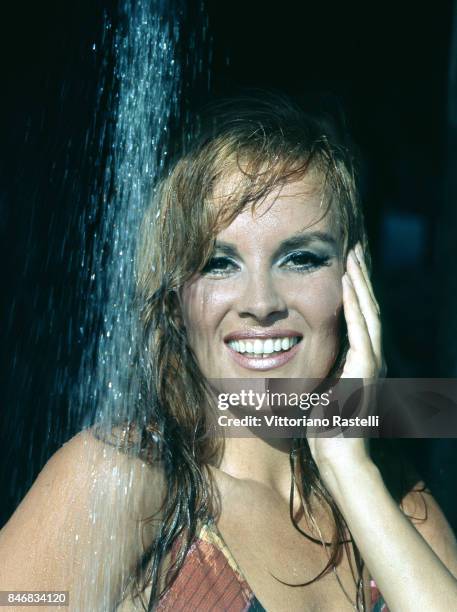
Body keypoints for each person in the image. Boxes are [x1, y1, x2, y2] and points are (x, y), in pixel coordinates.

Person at [1, 92, 457, 612]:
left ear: (354, 284)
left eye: (301, 258)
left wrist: (348, 467)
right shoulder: (122, 481)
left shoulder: (397, 499)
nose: (261, 304)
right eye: (219, 263)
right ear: (175, 303)